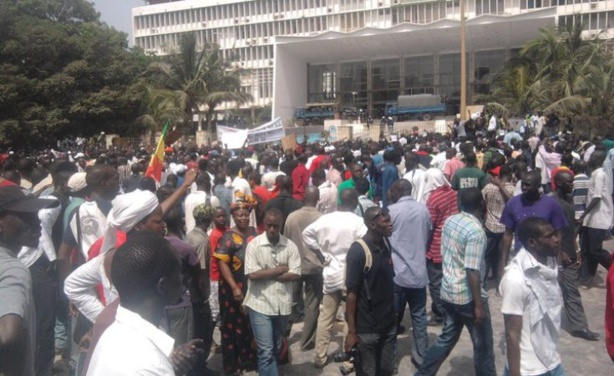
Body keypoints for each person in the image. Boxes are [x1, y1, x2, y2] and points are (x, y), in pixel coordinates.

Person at [86, 232, 204, 375]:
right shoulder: (151, 367)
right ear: (163, 286)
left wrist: (169, 361)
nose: (184, 278)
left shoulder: (112, 334)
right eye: (179, 272)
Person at [416, 188, 496, 376]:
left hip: (448, 292)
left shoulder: (450, 221)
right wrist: (478, 305)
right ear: (482, 204)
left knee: (446, 338)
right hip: (468, 297)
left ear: (460, 204)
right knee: (483, 346)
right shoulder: (476, 232)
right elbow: (472, 269)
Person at [303, 189, 367, 367]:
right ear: (354, 201)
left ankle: (320, 357)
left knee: (326, 317)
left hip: (331, 272)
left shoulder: (325, 219)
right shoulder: (358, 222)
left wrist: (321, 253)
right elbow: (364, 245)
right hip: (351, 275)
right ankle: (349, 360)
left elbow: (306, 234)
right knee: (350, 316)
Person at [0, 186, 57, 376]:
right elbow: (8, 336)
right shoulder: (13, 269)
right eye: (26, 216)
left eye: (35, 214)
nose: (37, 222)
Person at [499, 217, 564, 376]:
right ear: (532, 242)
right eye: (549, 237)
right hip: (528, 369)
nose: (556, 240)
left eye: (555, 234)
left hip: (552, 361)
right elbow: (512, 333)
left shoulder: (548, 269)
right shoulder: (515, 279)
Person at [244, 208, 301, 376]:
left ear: (281, 225)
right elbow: (252, 274)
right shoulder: (254, 245)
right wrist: (280, 270)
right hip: (259, 304)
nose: (272, 230)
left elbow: (296, 273)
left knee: (276, 346)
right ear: (264, 225)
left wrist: (266, 273)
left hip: (282, 305)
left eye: (275, 226)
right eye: (269, 226)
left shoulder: (290, 246)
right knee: (266, 350)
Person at [344, 206, 396, 376]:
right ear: (373, 225)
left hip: (387, 324)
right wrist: (352, 332)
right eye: (386, 221)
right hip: (367, 328)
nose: (390, 224)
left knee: (387, 370)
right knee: (367, 372)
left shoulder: (386, 243)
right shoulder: (358, 251)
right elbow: (351, 293)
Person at [387, 179, 431, 367]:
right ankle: (421, 357)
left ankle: (391, 361)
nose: (390, 192)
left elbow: (386, 239)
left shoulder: (392, 211)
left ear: (398, 190)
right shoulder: (423, 210)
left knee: (392, 320)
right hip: (419, 274)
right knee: (419, 317)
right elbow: (427, 236)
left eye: (392, 189)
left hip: (398, 274)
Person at [551, 171, 599, 341]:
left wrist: (575, 249)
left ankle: (579, 326)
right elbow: (550, 231)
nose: (572, 184)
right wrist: (560, 251)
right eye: (568, 182)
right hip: (555, 255)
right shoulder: (553, 202)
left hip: (569, 252)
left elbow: (569, 229)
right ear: (558, 183)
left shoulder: (569, 200)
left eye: (572, 181)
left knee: (572, 291)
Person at [212, 200, 258, 374]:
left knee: (250, 324)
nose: (243, 218)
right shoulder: (228, 237)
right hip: (232, 290)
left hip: (252, 287)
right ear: (234, 217)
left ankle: (249, 360)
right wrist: (234, 287)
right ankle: (233, 363)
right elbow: (222, 264)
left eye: (246, 215)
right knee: (232, 325)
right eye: (240, 215)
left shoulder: (255, 233)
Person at [499, 170, 568, 279]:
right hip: (520, 259)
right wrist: (503, 266)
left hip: (545, 261)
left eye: (528, 185)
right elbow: (507, 236)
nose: (524, 188)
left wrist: (559, 266)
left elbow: (558, 236)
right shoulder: (512, 204)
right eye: (523, 184)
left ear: (539, 186)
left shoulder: (552, 205)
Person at [283, 187, 323, 350]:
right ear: (318, 198)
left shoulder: (292, 217)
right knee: (312, 303)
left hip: (294, 266)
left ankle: (284, 336)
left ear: (303, 197)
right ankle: (306, 341)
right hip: (315, 267)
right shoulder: (322, 218)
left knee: (290, 302)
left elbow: (285, 241)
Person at [423, 168, 457, 325]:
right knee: (449, 279)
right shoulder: (453, 193)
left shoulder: (433, 199)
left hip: (437, 246)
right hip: (453, 243)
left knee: (436, 283)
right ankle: (449, 309)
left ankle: (441, 313)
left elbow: (430, 225)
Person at [578, 149, 613, 287]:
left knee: (595, 251)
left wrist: (584, 214)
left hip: (598, 219)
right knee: (587, 250)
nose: (590, 158)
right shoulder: (594, 174)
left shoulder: (599, 175)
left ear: (598, 159)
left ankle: (611, 267)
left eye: (593, 156)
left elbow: (597, 197)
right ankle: (585, 279)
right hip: (592, 219)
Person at [481, 164, 515, 283]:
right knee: (502, 258)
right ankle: (499, 284)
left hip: (490, 226)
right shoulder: (512, 189)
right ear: (510, 175)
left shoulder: (488, 187)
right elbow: (513, 202)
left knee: (487, 257)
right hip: (505, 229)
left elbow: (481, 201)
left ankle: (483, 283)